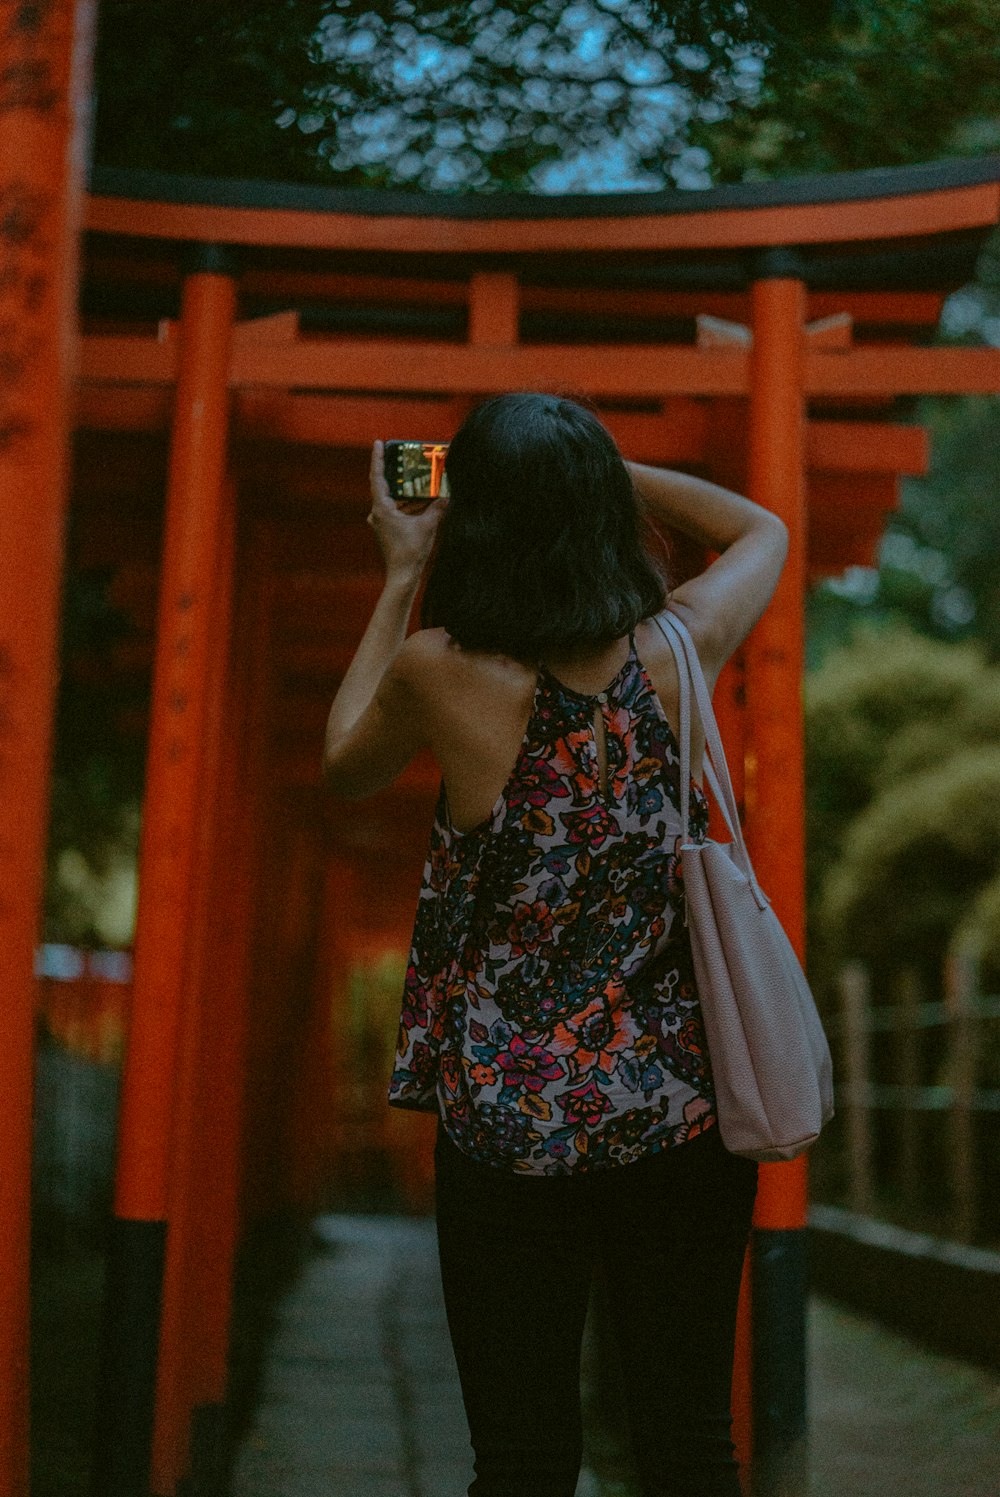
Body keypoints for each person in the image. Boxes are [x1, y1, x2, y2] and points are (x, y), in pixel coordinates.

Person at [322, 392, 788, 1497]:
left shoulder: (439, 668)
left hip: (506, 1122)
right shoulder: (682, 644)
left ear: (477, 522)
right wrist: (594, 469)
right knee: (686, 1445)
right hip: (678, 1111)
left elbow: (342, 764)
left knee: (523, 1458)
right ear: (591, 509)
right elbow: (761, 529)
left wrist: (398, 573)